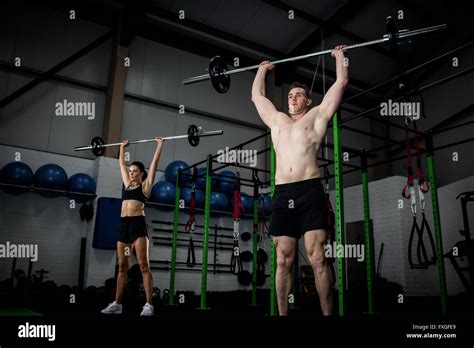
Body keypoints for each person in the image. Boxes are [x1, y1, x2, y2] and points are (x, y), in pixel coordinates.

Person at [251, 45, 348, 316]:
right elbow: (257, 96)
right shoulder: (278, 120)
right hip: (282, 193)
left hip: (309, 191)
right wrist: (262, 70)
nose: (293, 98)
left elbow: (341, 82)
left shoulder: (317, 117)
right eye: (291, 95)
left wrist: (340, 56)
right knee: (283, 260)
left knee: (317, 257)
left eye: (299, 96)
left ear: (308, 101)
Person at [101, 137, 164, 316]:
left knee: (144, 266)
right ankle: (117, 303)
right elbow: (121, 164)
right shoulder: (127, 185)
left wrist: (159, 145)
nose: (131, 173)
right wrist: (121, 147)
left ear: (141, 174)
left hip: (138, 227)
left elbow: (154, 163)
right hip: (124, 226)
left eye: (134, 171)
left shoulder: (145, 187)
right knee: (122, 267)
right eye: (130, 171)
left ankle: (149, 304)